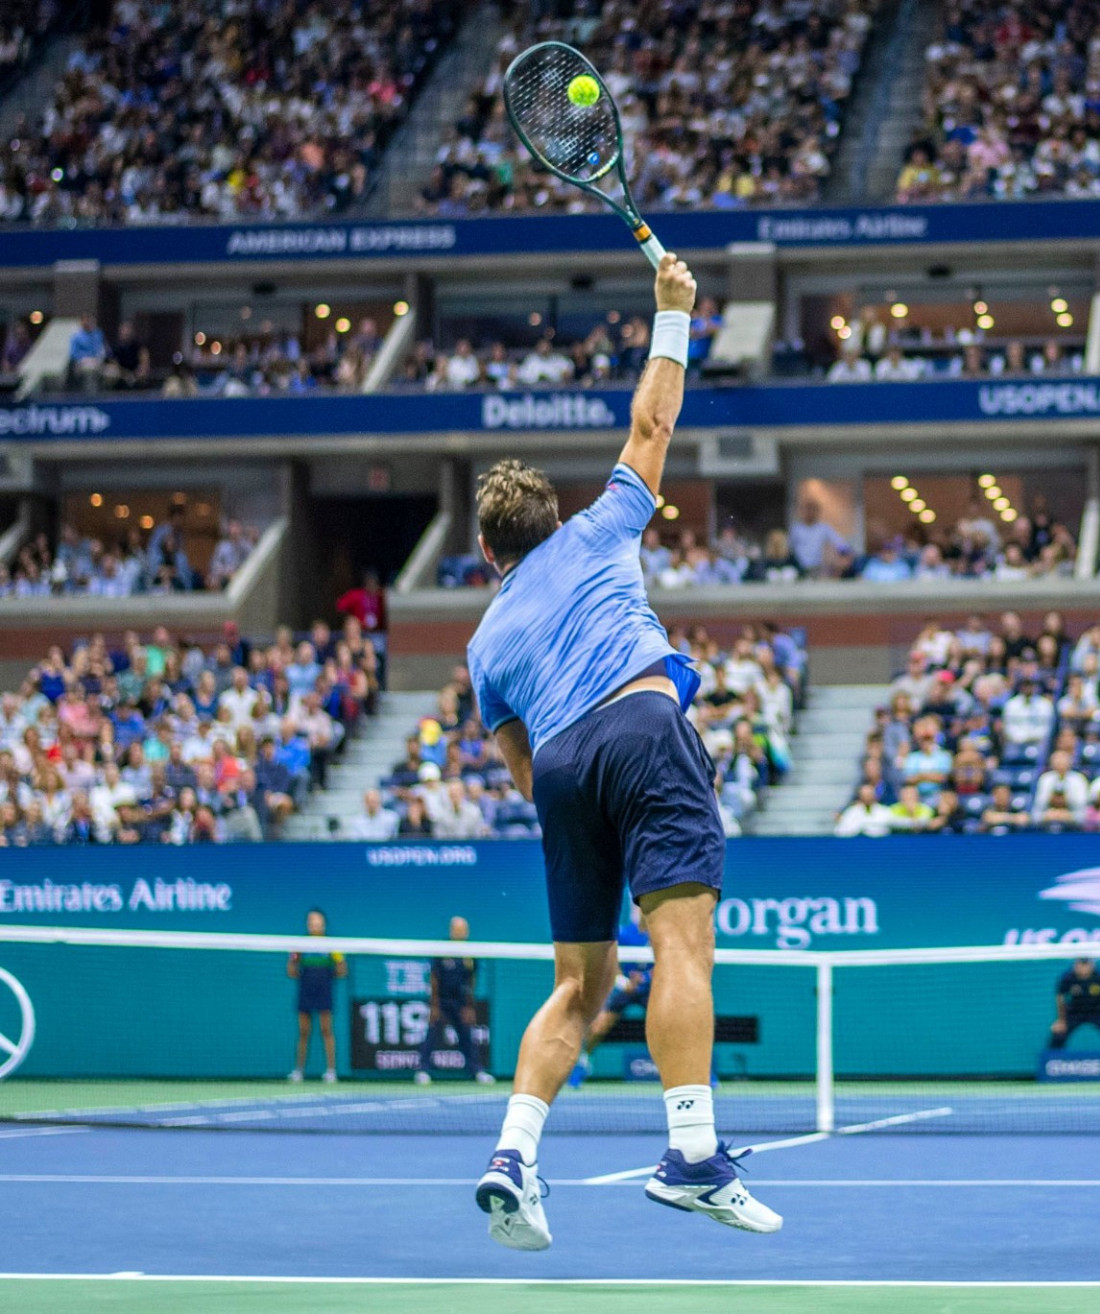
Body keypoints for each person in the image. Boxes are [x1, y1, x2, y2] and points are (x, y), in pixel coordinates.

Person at [465, 254, 779, 1250]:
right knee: (681, 948)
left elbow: (522, 771)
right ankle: (691, 1155)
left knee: (579, 986)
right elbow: (651, 426)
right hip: (641, 726)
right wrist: (672, 313)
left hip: (560, 770)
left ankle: (513, 1156)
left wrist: (588, 793)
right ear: (551, 523)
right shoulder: (599, 530)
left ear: (487, 556)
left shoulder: (482, 645)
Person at [569, 905, 652, 1087]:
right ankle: (582, 1064)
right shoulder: (623, 934)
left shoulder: (657, 934)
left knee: (669, 1028)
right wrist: (623, 981)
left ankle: (702, 1072)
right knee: (598, 1027)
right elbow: (611, 960)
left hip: (651, 989)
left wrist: (645, 978)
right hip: (625, 989)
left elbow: (666, 962)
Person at [416, 916, 494, 1085]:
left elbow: (472, 980)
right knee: (431, 1034)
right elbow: (434, 977)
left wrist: (469, 1006)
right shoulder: (443, 949)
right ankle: (423, 1070)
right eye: (457, 929)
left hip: (460, 1003)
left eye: (463, 930)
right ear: (452, 931)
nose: (460, 933)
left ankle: (476, 1070)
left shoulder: (470, 953)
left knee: (467, 1035)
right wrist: (434, 1005)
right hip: (441, 1000)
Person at [287, 908, 346, 1083]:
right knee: (303, 1032)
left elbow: (342, 968)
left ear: (324, 924)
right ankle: (298, 1071)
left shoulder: (331, 945)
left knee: (326, 1030)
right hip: (305, 990)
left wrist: (326, 976)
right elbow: (291, 967)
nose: (314, 924)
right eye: (311, 921)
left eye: (317, 921)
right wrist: (304, 976)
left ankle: (331, 1071)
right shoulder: (300, 944)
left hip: (324, 991)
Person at [1047, 958, 1100, 1052]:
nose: (1084, 969)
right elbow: (1060, 999)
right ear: (1075, 965)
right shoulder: (1067, 978)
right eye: (1080, 964)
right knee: (1058, 1033)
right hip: (1074, 1012)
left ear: (1092, 965)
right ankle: (1050, 1063)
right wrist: (1061, 1021)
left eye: (1086, 965)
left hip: (1097, 1011)